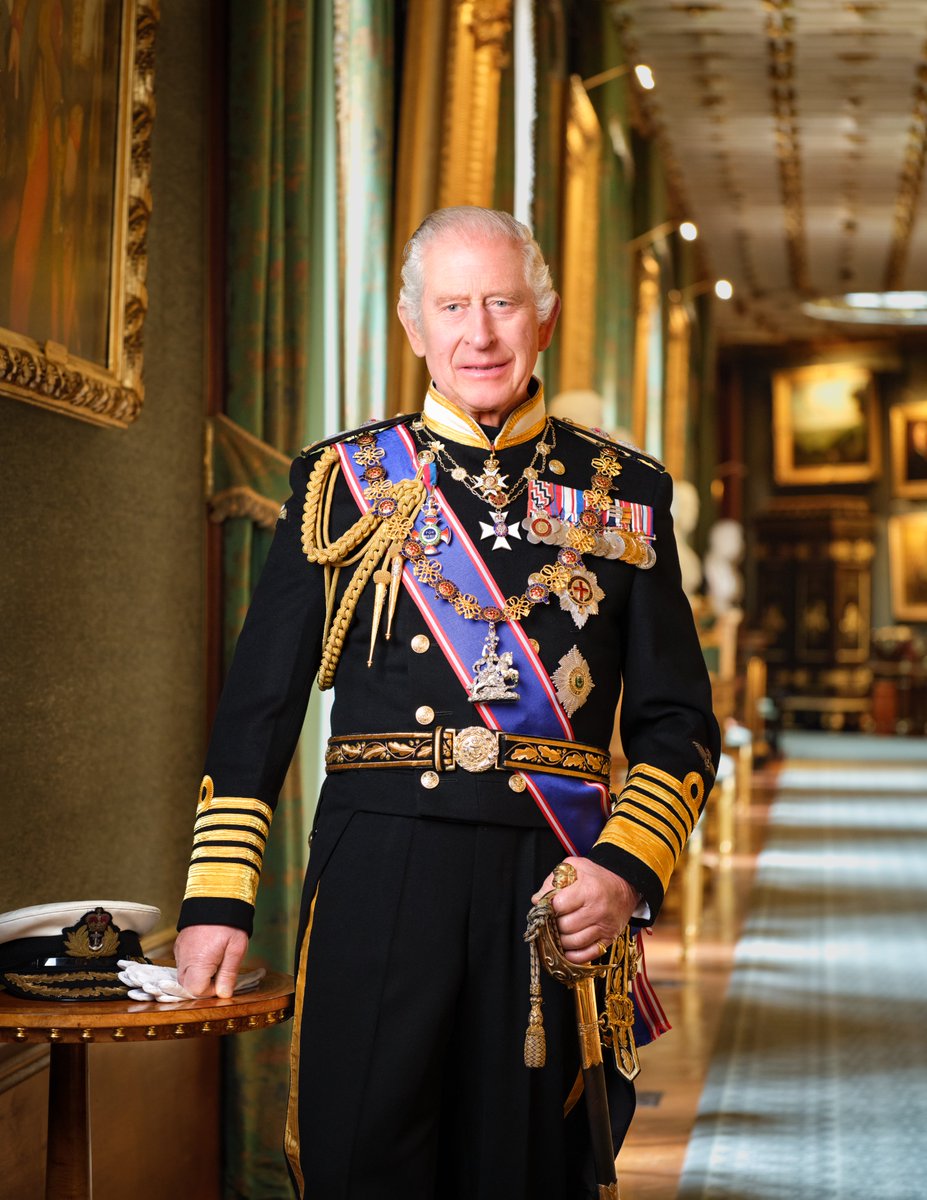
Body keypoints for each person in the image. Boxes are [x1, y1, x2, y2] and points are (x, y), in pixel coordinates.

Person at [174, 206, 719, 1199]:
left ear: (544, 319)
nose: (480, 333)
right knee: (361, 1155)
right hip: (383, 862)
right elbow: (258, 706)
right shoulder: (344, 481)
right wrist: (218, 899)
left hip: (549, 882)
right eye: (454, 306)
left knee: (527, 1168)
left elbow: (678, 721)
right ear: (413, 326)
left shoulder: (624, 494)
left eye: (503, 303)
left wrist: (623, 870)